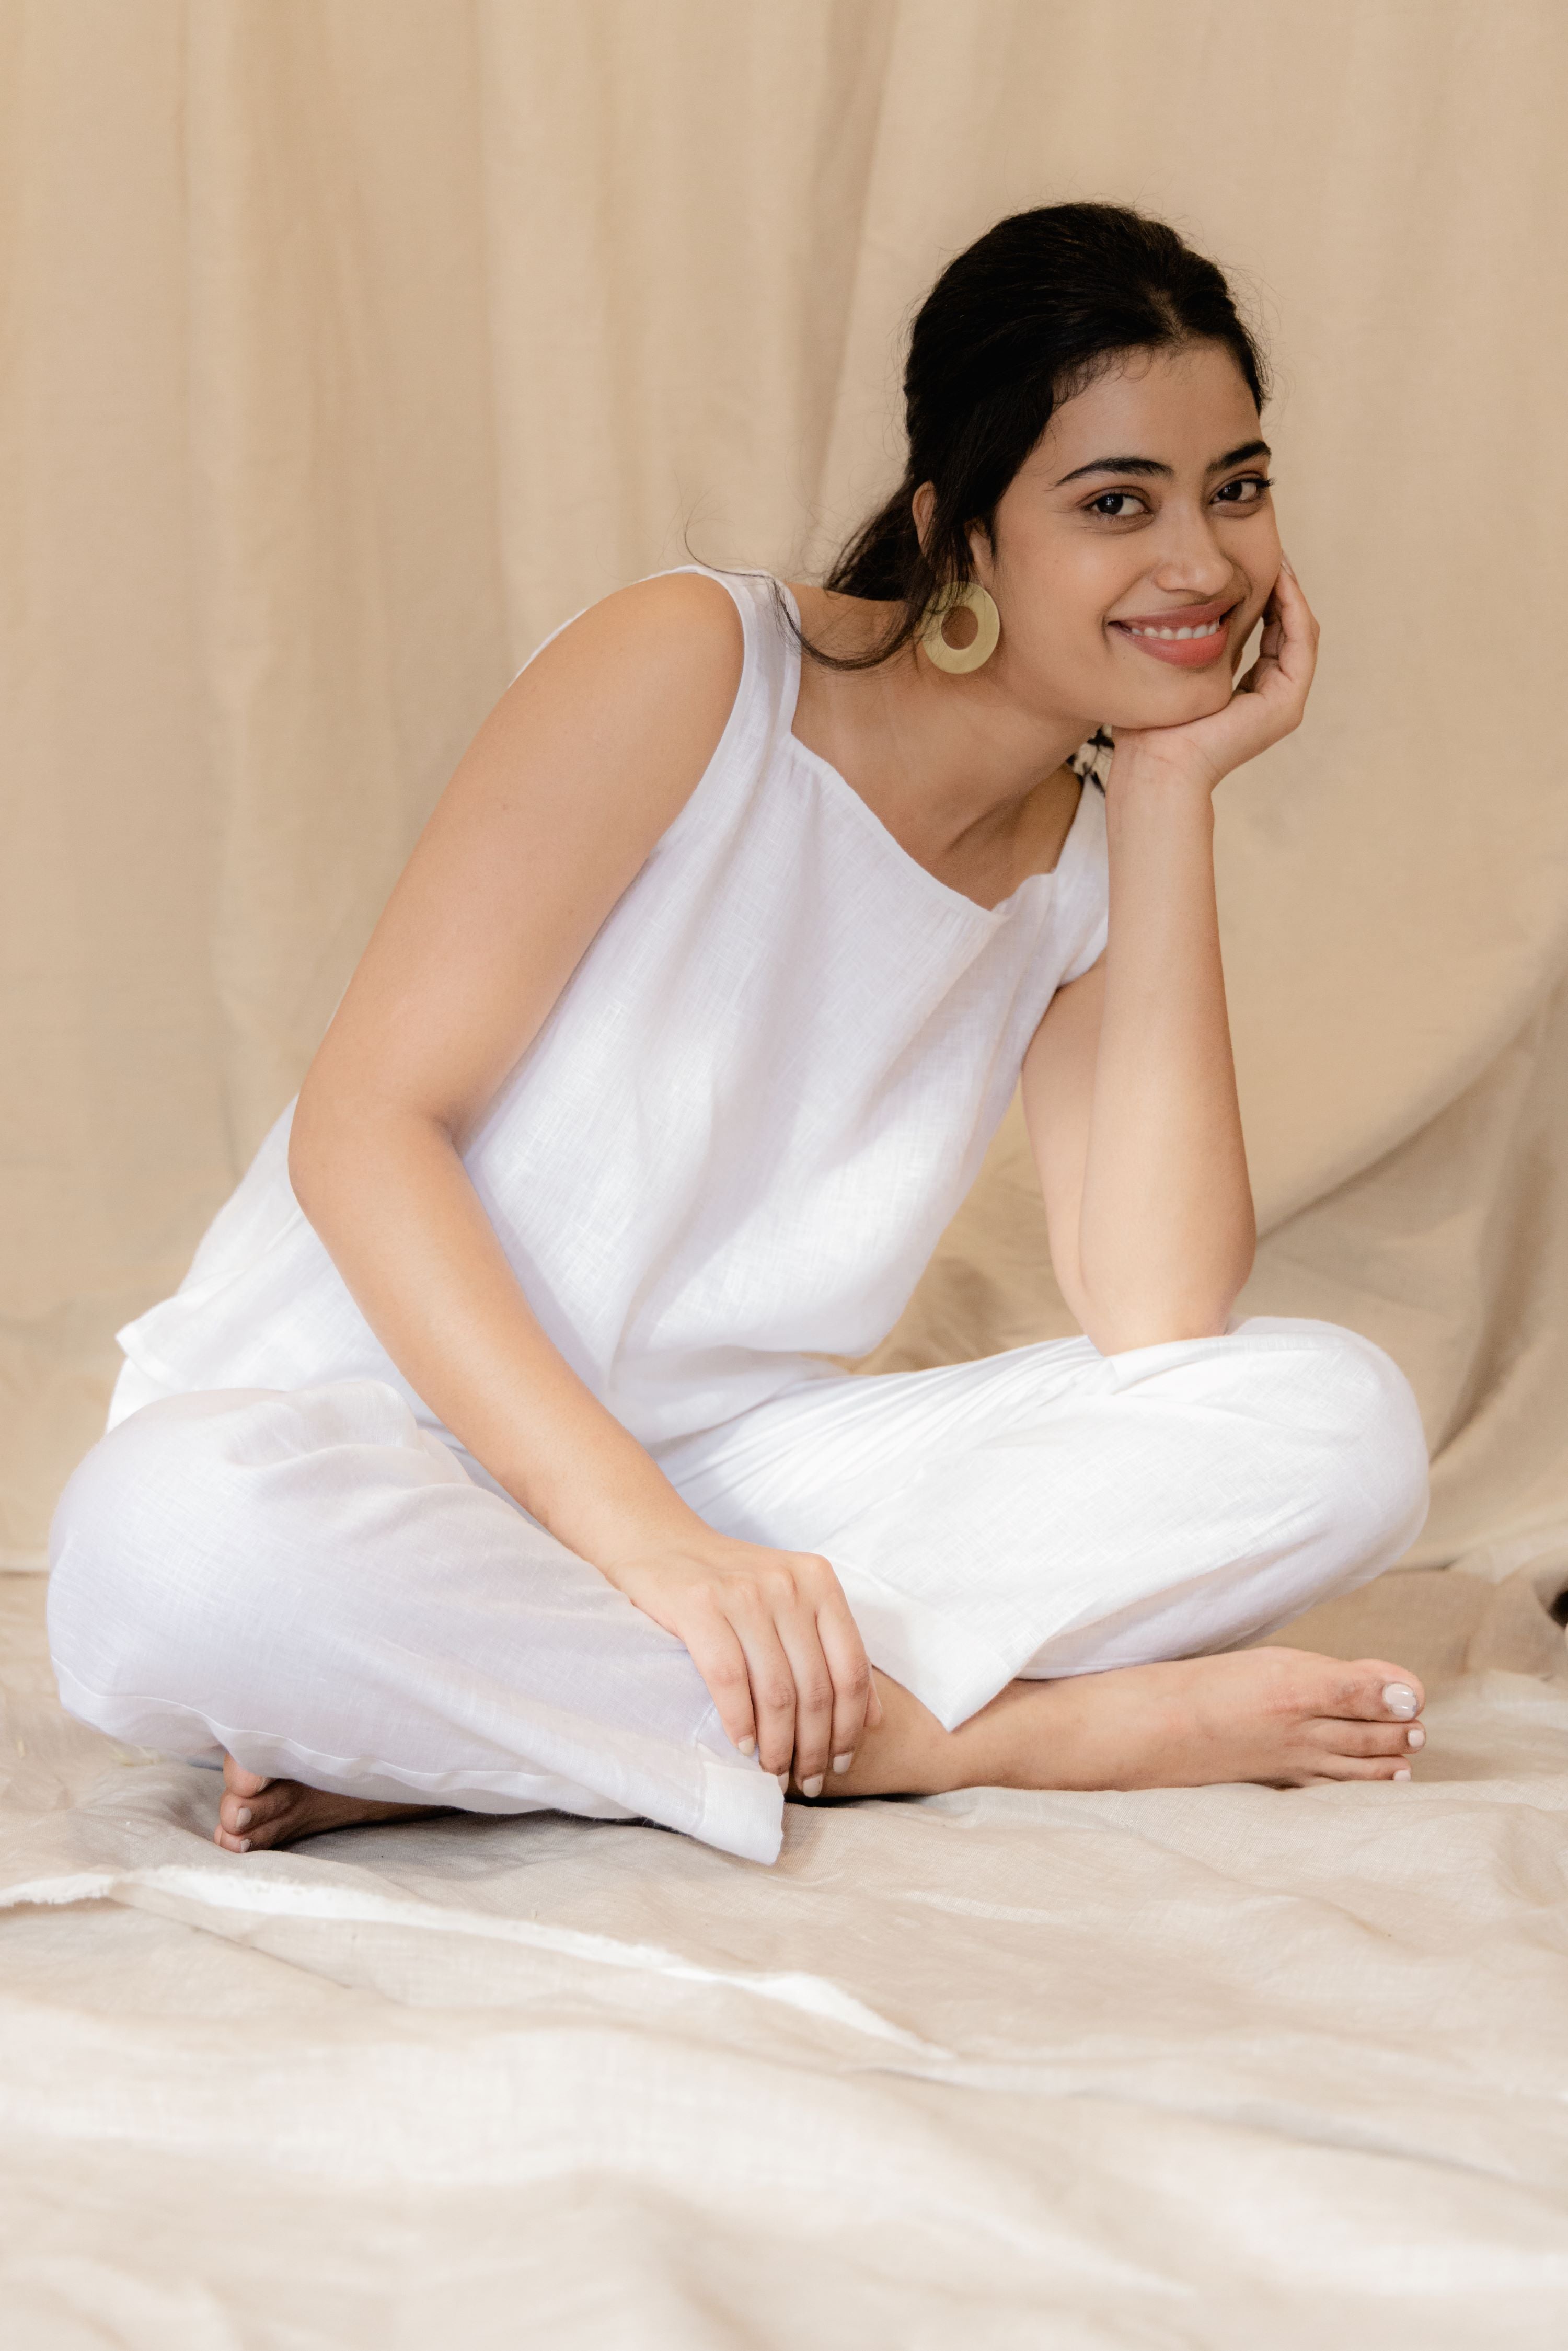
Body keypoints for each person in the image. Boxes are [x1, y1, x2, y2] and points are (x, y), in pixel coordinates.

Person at [47, 203, 1431, 1869]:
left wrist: (1168, 789)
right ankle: (973, 1736)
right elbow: (367, 1130)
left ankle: (509, 1727)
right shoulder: (699, 663)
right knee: (165, 1542)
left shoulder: (1082, 863)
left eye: (1238, 487)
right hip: (361, 1442)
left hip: (725, 1480)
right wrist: (649, 1548)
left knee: (1340, 1425)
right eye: (1115, 502)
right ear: (961, 530)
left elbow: (1161, 1314)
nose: (1202, 562)